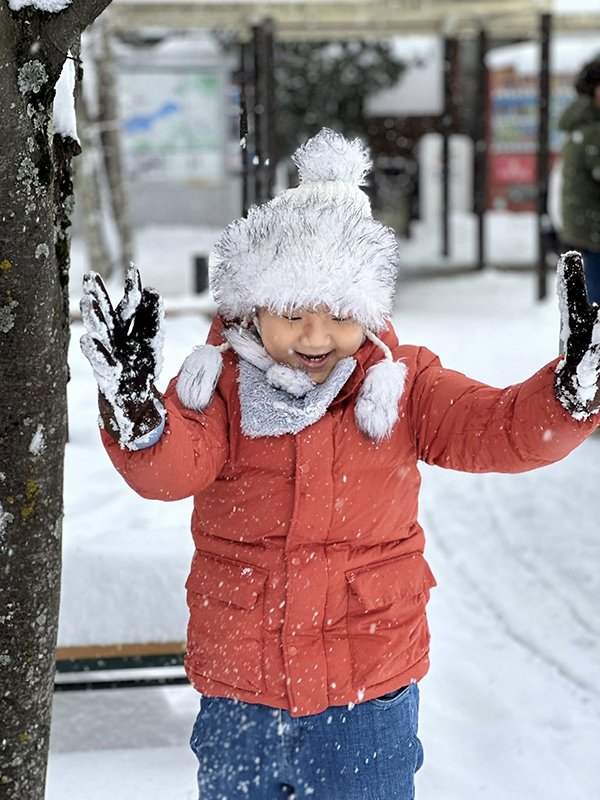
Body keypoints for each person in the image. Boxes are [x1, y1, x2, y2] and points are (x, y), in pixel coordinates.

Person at [80, 129, 600, 800]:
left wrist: (563, 401)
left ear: (371, 309)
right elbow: (175, 467)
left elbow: (497, 428)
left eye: (340, 313)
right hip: (245, 695)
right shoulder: (220, 386)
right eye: (293, 313)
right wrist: (141, 420)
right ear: (253, 307)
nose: (316, 337)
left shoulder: (405, 383)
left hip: (368, 695)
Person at [559, 58, 600, 304]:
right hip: (595, 229)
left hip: (586, 227)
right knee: (596, 303)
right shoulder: (594, 130)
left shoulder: (583, 124)